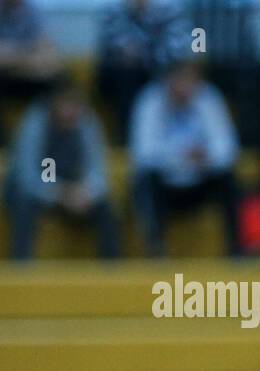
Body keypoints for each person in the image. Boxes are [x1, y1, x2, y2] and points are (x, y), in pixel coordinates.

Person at [129, 58, 240, 256]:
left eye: (190, 80)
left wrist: (206, 157)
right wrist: (182, 156)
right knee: (144, 181)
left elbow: (227, 149)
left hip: (199, 181)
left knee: (229, 179)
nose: (185, 88)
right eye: (179, 80)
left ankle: (237, 249)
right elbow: (143, 154)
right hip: (166, 184)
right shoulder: (150, 100)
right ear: (167, 80)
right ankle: (156, 250)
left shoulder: (208, 97)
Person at [4, 76, 121, 259]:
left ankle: (112, 269)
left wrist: (86, 192)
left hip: (72, 187)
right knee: (23, 200)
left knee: (107, 209)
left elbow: (97, 172)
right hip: (40, 186)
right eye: (65, 105)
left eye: (75, 106)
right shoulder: (35, 122)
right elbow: (27, 176)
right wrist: (59, 193)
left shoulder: (87, 123)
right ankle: (21, 265)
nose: (71, 112)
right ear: (53, 104)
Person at [96, 0, 191, 142]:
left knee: (179, 77)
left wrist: (143, 54)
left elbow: (178, 49)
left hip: (160, 71)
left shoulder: (172, 9)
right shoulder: (113, 9)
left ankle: (165, 142)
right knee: (126, 73)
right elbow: (109, 47)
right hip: (119, 76)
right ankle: (126, 141)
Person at [0, 0, 59, 140]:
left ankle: (47, 142)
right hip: (7, 77)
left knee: (60, 83)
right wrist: (26, 53)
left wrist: (11, 55)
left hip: (29, 76)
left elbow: (45, 56)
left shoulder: (34, 13)